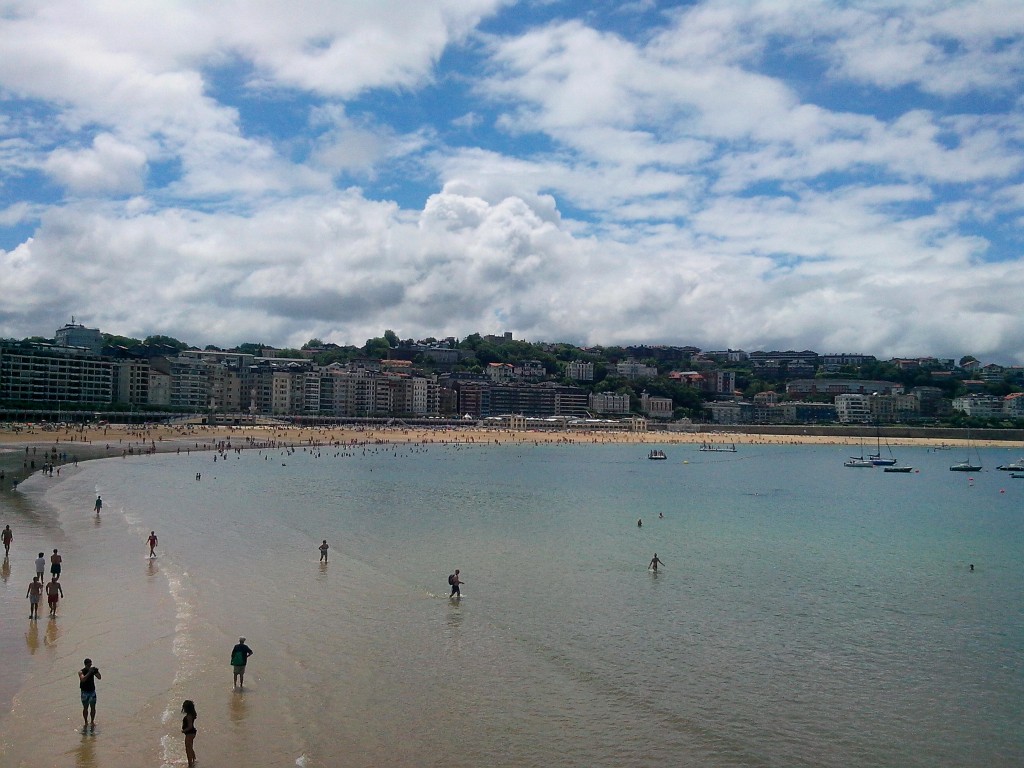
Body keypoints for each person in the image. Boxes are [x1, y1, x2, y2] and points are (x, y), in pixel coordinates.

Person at [79, 658, 101, 728]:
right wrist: (89, 672)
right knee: (85, 708)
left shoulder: (92, 671)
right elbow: (83, 679)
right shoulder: (81, 671)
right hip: (84, 692)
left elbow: (99, 677)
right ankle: (85, 721)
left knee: (93, 707)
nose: (90, 666)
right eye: (89, 665)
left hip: (92, 691)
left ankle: (92, 721)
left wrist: (96, 671)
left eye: (90, 664)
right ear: (86, 665)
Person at [181, 699, 198, 766]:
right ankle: (193, 758)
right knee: (190, 746)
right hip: (191, 733)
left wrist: (184, 731)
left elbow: (190, 726)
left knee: (188, 748)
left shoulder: (189, 716)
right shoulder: (191, 715)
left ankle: (190, 763)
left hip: (189, 733)